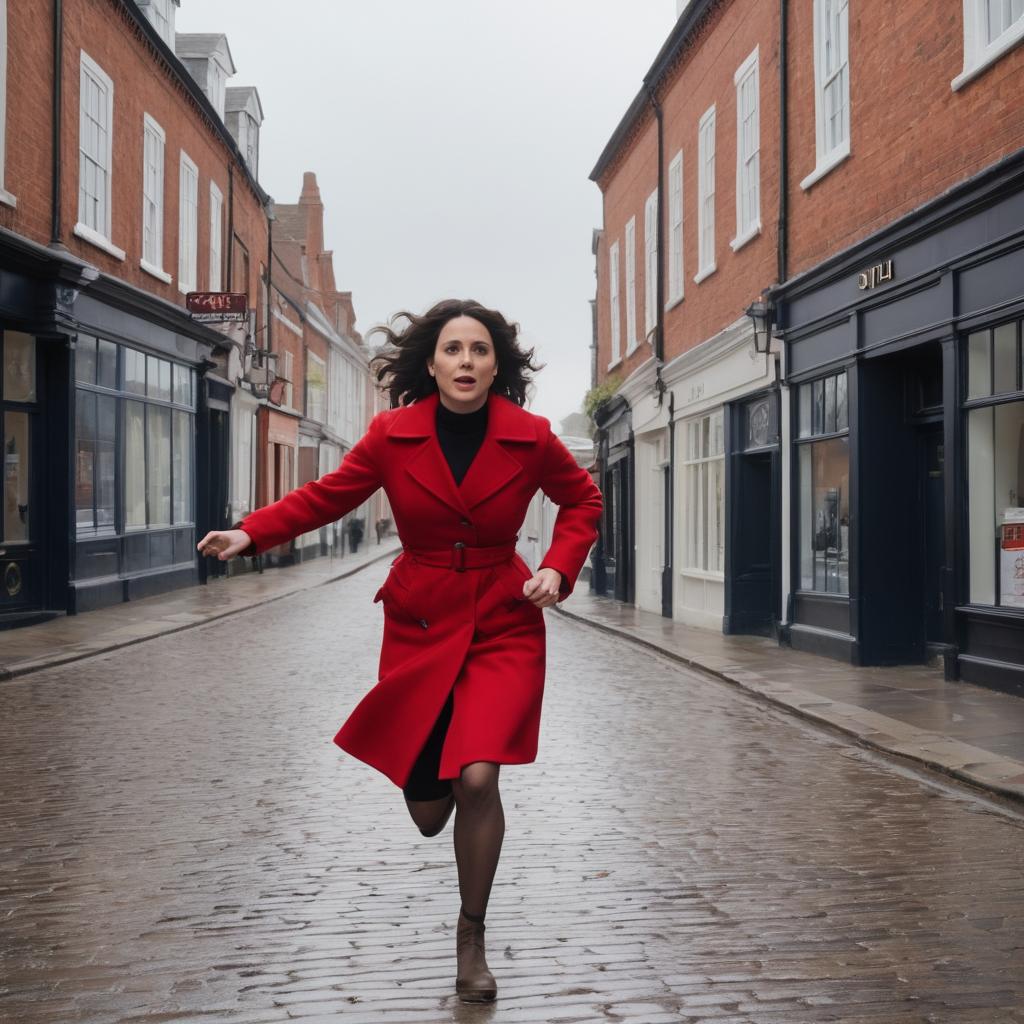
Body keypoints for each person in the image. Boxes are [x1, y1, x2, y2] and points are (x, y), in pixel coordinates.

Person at [196, 298, 603, 1003]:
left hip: (502, 618)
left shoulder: (531, 437)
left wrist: (558, 568)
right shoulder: (393, 434)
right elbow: (327, 496)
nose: (467, 361)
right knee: (426, 811)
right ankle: (431, 788)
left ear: (496, 364)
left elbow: (583, 502)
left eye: (480, 350)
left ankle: (470, 934)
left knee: (479, 779)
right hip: (419, 620)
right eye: (453, 350)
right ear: (433, 363)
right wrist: (250, 533)